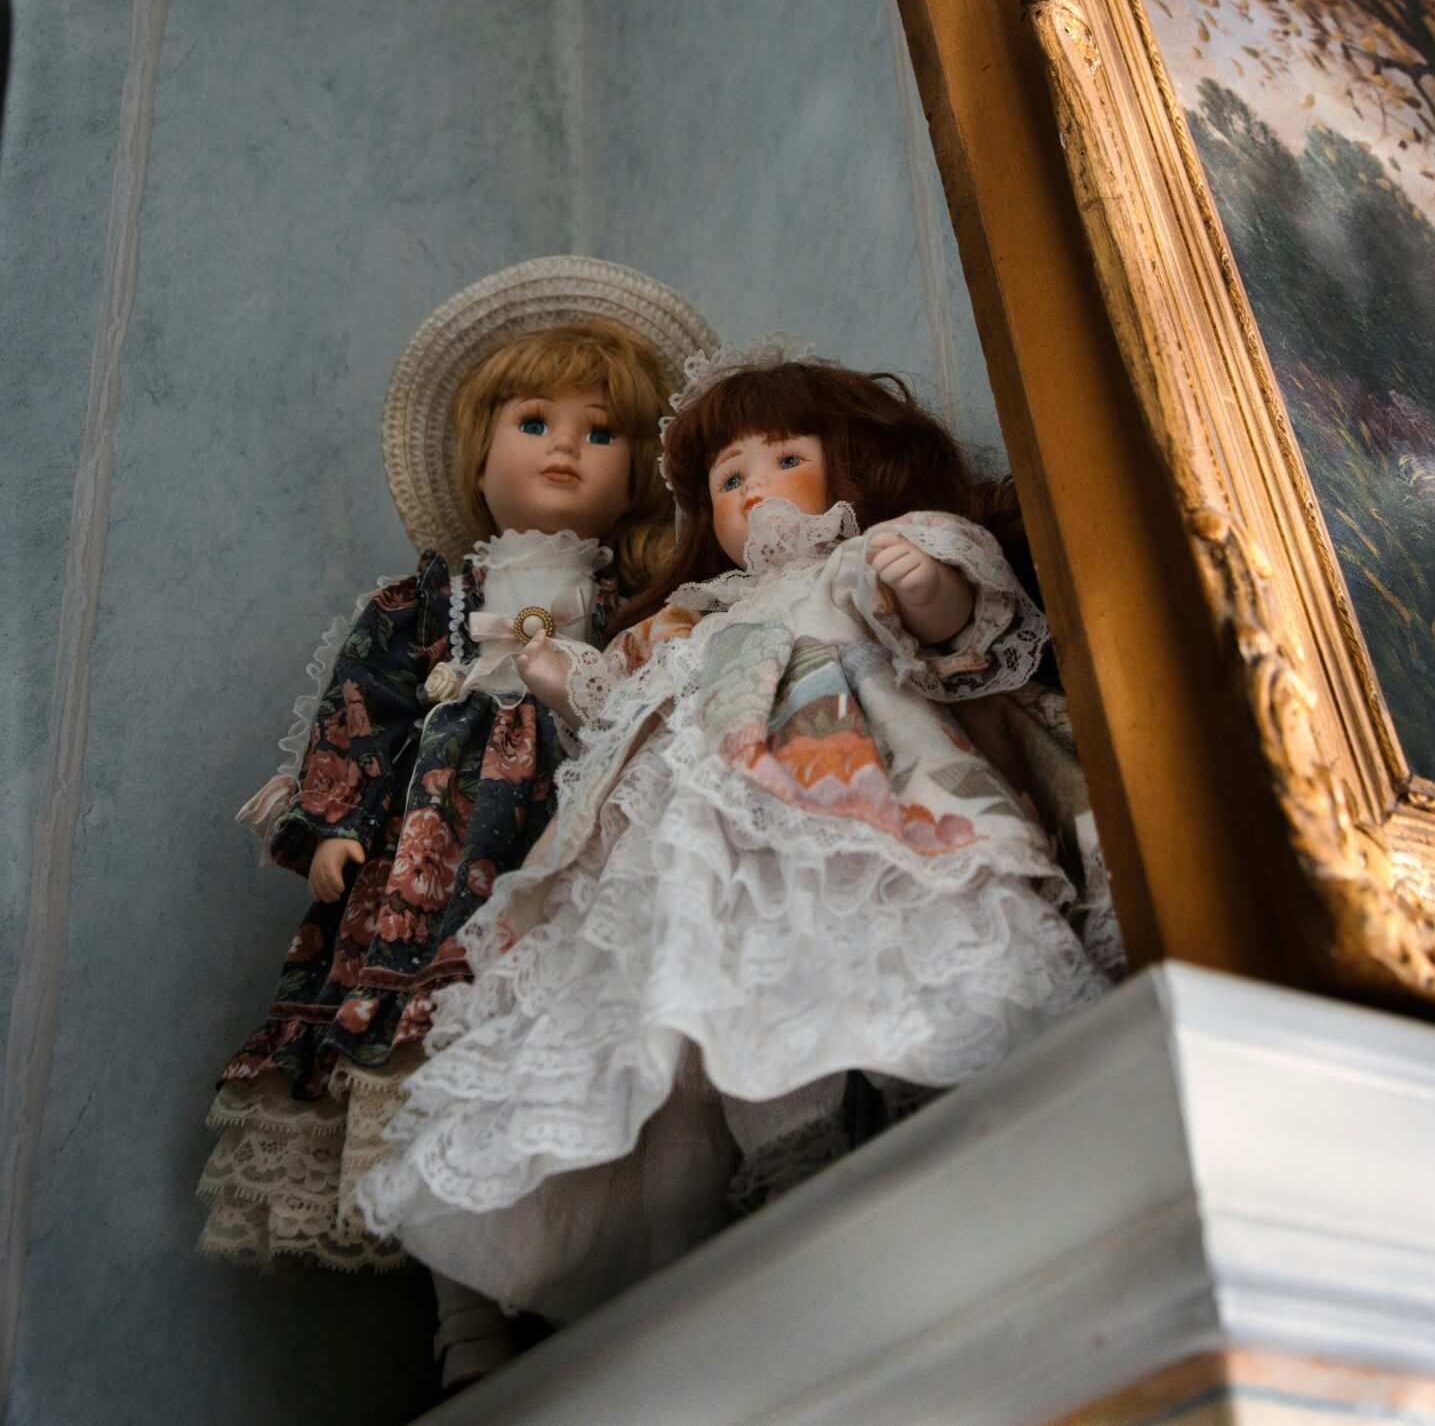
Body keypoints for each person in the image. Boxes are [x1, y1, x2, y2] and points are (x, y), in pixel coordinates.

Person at [359, 345, 1119, 1323]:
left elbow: (963, 636)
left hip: (860, 808)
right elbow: (622, 697)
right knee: (737, 997)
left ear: (850, 462)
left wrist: (927, 585)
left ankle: (956, 1149)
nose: (755, 488)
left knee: (896, 960)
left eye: (785, 459)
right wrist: (560, 674)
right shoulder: (695, 615)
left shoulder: (857, 559)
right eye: (728, 478)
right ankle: (800, 1187)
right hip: (720, 853)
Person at [196, 255, 715, 1387]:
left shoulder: (642, 605)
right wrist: (330, 827)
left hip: (576, 850)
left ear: (639, 475)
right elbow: (360, 713)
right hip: (432, 870)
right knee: (428, 1065)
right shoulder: (419, 606)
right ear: (480, 458)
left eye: (601, 432)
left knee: (567, 1061)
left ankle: (596, 1288)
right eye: (535, 423)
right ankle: (465, 1321)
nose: (566, 447)